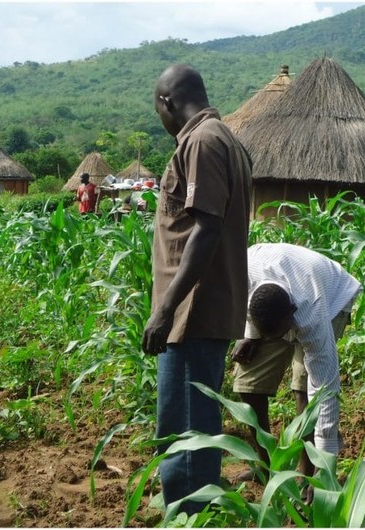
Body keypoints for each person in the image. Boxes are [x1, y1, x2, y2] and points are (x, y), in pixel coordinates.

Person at [141, 64, 252, 515]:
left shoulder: (203, 142)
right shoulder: (225, 139)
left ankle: (188, 519)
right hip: (201, 312)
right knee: (196, 425)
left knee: (184, 434)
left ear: (166, 102)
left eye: (157, 109)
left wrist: (165, 309)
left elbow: (206, 230)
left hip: (191, 314)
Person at [231, 243, 362, 485]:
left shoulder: (311, 315)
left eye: (284, 332)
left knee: (305, 392)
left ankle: (308, 473)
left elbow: (325, 393)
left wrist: (327, 471)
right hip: (272, 300)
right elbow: (247, 311)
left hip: (331, 298)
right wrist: (250, 335)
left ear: (292, 314)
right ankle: (266, 467)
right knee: (248, 383)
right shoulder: (242, 277)